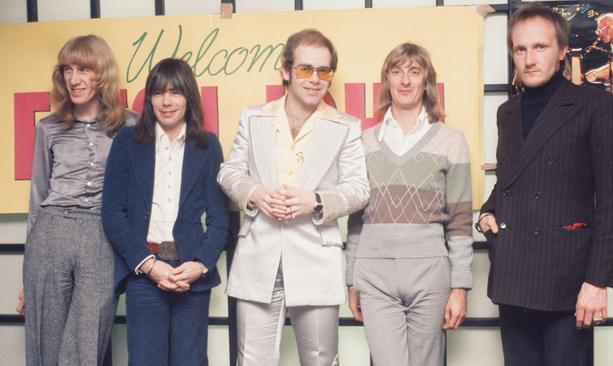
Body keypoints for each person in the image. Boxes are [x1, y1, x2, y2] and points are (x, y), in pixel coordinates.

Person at [478, 4, 613, 365]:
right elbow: (511, 178)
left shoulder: (597, 106)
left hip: (568, 281)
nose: (529, 59)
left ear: (562, 51)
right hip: (514, 275)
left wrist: (598, 283)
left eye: (540, 47)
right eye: (520, 49)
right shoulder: (507, 113)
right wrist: (488, 210)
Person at [217, 29, 369, 366]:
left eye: (323, 71)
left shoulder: (346, 126)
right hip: (259, 255)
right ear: (285, 71)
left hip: (315, 256)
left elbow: (359, 189)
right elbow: (229, 172)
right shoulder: (253, 117)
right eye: (305, 69)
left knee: (321, 359)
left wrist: (315, 201)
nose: (315, 79)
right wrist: (255, 193)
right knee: (252, 360)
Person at [345, 43, 473, 366]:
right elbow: (356, 219)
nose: (405, 80)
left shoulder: (451, 141)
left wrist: (460, 286)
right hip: (375, 274)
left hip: (430, 273)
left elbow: (459, 221)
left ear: (426, 81)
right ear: (386, 80)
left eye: (414, 72)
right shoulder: (363, 142)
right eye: (397, 72)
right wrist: (352, 279)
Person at [18, 34, 138, 366]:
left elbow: (139, 195)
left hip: (102, 234)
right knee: (47, 343)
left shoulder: (130, 125)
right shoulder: (49, 127)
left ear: (102, 73)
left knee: (88, 342)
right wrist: (28, 278)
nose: (74, 79)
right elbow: (38, 197)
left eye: (84, 69)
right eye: (68, 70)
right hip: (51, 232)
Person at [101, 58, 229, 365]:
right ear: (149, 99)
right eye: (159, 92)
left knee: (191, 360)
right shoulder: (127, 141)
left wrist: (200, 264)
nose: (167, 101)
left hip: (191, 274)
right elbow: (112, 212)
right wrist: (148, 264)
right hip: (144, 273)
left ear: (189, 97)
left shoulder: (208, 145)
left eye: (176, 92)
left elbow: (220, 218)